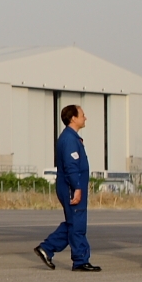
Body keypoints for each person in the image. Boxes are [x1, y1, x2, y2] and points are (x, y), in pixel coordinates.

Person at [34, 104, 99, 271]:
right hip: (71, 187)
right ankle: (80, 260)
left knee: (72, 223)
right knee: (77, 224)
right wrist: (77, 188)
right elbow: (71, 166)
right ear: (73, 118)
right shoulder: (69, 139)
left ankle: (47, 248)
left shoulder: (71, 137)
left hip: (72, 186)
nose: (85, 118)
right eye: (83, 115)